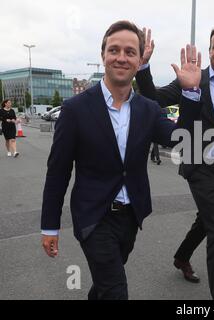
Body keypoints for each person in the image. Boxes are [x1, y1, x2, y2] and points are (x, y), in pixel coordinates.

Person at [40, 20, 202, 300]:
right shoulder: (75, 109)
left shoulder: (148, 109)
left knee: (105, 285)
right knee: (116, 290)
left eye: (130, 52)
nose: (121, 57)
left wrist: (190, 93)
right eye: (114, 50)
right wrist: (49, 226)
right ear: (103, 55)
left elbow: (183, 140)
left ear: (140, 60)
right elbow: (57, 172)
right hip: (93, 217)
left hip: (130, 216)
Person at [136, 24, 214, 300]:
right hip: (198, 165)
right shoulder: (193, 78)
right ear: (209, 51)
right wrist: (143, 68)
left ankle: (182, 257)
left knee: (206, 222)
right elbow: (153, 99)